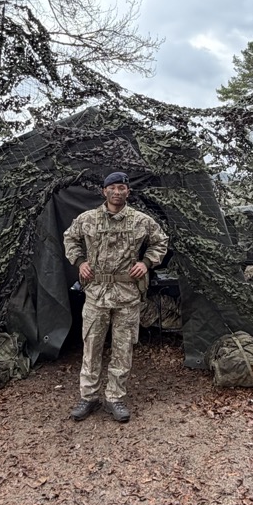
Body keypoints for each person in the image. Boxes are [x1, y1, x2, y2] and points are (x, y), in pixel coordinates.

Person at [63, 171, 169, 423]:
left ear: (127, 192)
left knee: (123, 348)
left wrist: (146, 263)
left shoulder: (141, 221)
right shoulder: (87, 219)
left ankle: (115, 398)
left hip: (127, 295)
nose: (117, 192)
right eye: (113, 187)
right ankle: (88, 397)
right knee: (91, 346)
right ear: (104, 191)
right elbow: (70, 238)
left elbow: (160, 242)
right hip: (96, 294)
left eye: (122, 187)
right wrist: (79, 261)